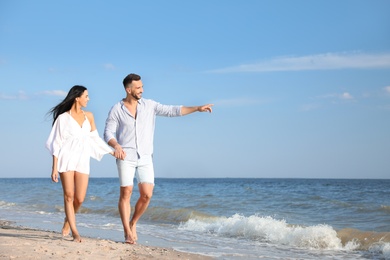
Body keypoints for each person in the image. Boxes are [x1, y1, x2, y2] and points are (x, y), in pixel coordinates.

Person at [104, 73, 213, 244]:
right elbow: (108, 132)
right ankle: (126, 231)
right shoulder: (117, 109)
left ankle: (133, 222)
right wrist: (116, 145)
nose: (142, 90)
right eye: (138, 87)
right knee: (126, 192)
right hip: (126, 156)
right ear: (128, 89)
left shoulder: (150, 105)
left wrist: (197, 108)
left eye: (142, 87)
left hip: (146, 156)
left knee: (147, 195)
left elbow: (173, 110)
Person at [46, 85, 113, 242]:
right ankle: (75, 232)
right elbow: (56, 143)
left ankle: (68, 220)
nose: (88, 99)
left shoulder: (89, 116)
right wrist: (54, 167)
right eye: (86, 96)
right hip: (66, 158)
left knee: (80, 198)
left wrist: (111, 151)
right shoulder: (63, 118)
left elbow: (95, 138)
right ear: (77, 97)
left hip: (83, 159)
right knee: (69, 196)